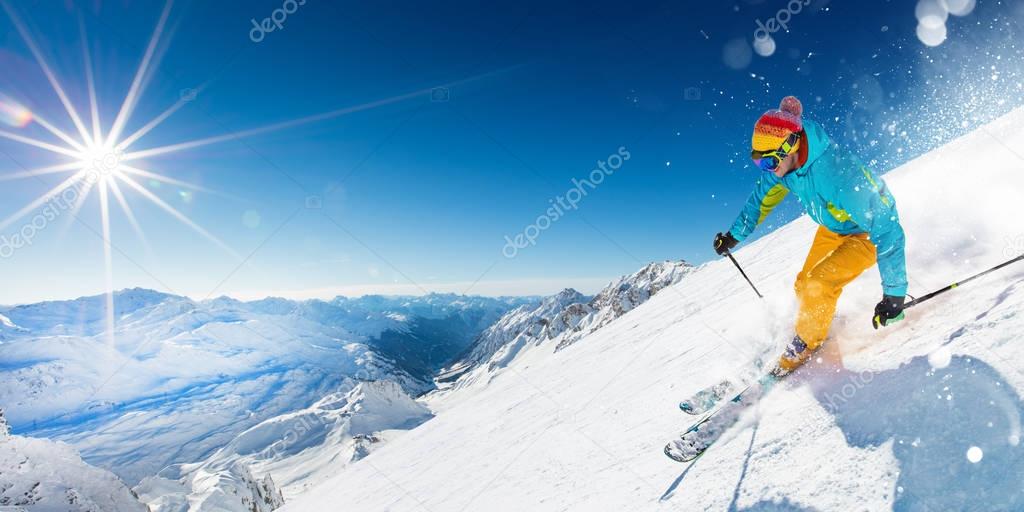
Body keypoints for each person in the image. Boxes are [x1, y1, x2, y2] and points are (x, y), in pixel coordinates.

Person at [714, 96, 908, 376]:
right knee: (803, 283)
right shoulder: (783, 167)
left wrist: (894, 295)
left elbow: (887, 226)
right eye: (759, 163)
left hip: (866, 233)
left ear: (791, 145)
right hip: (833, 227)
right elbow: (760, 199)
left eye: (769, 162)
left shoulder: (841, 174)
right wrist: (734, 235)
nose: (767, 169)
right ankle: (817, 320)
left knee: (819, 282)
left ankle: (807, 342)